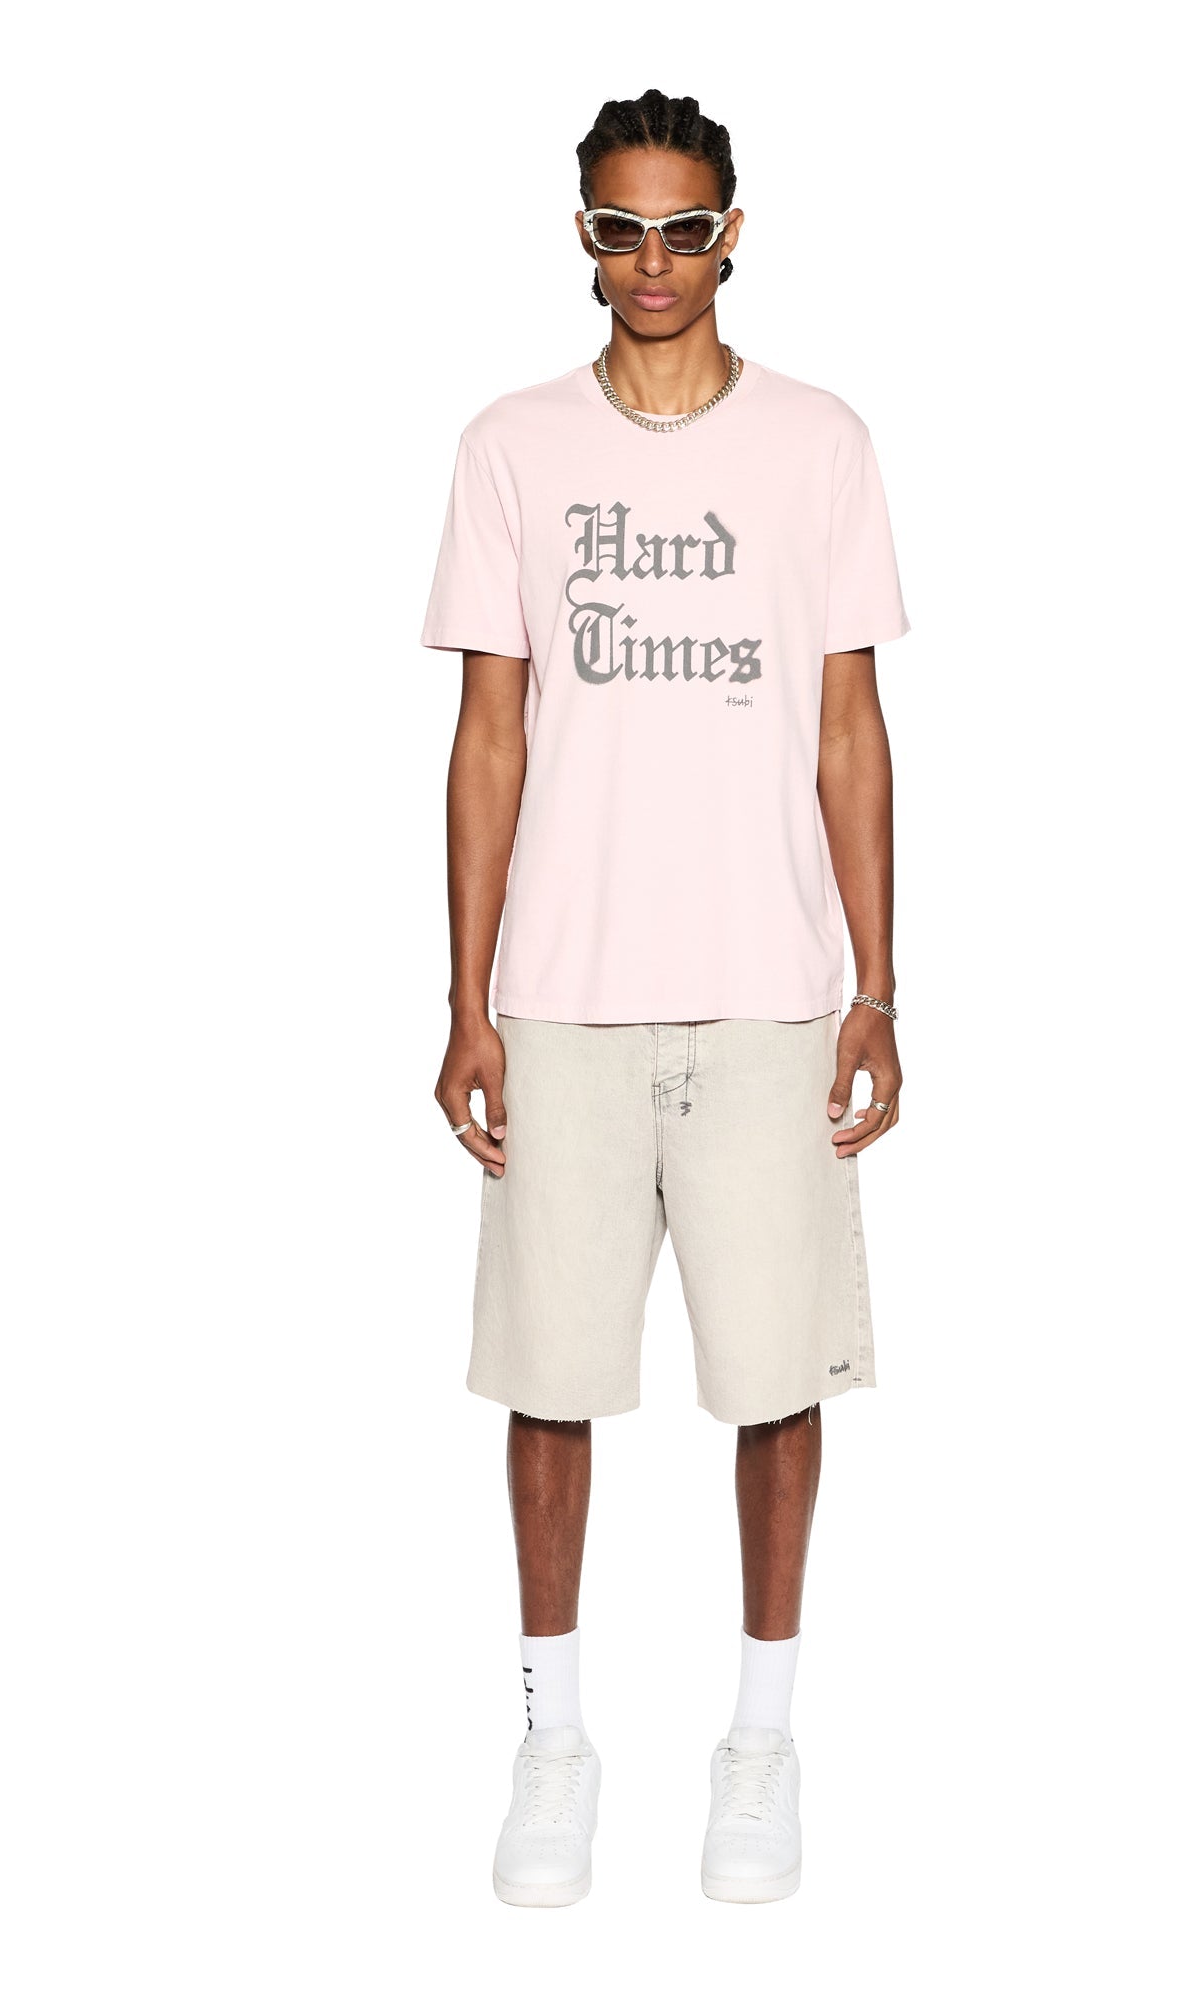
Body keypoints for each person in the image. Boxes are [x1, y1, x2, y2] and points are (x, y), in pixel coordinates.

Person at [421, 87, 909, 1907]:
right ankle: (552, 1741)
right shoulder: (510, 447)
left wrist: (878, 984)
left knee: (777, 1382)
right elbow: (487, 737)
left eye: (682, 229)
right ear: (584, 236)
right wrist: (467, 1001)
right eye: (621, 228)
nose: (653, 261)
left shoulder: (819, 445)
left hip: (770, 993)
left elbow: (850, 726)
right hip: (563, 993)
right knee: (548, 1383)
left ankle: (761, 1742)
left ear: (729, 236)